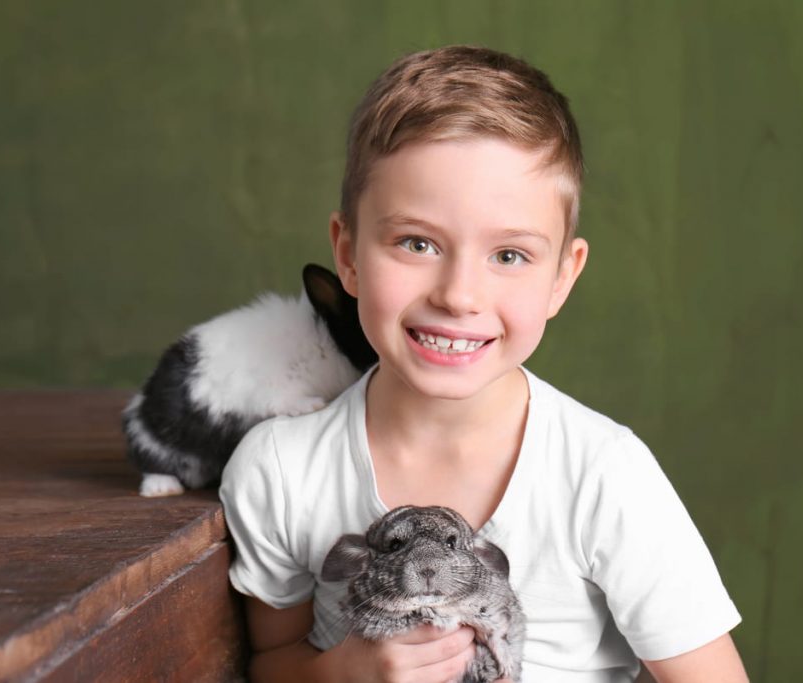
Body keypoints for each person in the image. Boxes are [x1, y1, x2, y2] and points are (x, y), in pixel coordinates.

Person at [220, 45, 748, 682]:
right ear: (349, 255)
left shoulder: (605, 475)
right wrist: (342, 674)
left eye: (509, 256)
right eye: (417, 243)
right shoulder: (280, 471)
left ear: (562, 277)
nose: (458, 295)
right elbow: (273, 661)